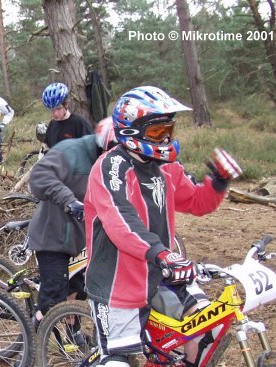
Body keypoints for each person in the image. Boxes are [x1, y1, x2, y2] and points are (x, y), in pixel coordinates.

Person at [84, 86, 242, 367]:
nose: (166, 139)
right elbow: (121, 221)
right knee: (119, 361)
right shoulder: (110, 167)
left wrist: (218, 182)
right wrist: (162, 252)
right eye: (158, 133)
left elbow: (195, 200)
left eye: (169, 131)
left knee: (210, 330)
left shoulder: (166, 166)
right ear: (132, 131)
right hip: (117, 282)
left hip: (163, 273)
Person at [27, 117, 116, 329]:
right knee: (52, 299)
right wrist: (69, 201)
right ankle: (29, 343)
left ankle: (72, 337)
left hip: (81, 239)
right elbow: (39, 176)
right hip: (53, 235)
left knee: (77, 292)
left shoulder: (113, 164)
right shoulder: (71, 151)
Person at [41, 82, 93, 149]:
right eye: (52, 110)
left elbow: (92, 148)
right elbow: (48, 148)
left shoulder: (79, 123)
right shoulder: (52, 124)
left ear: (66, 104)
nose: (55, 113)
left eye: (59, 109)